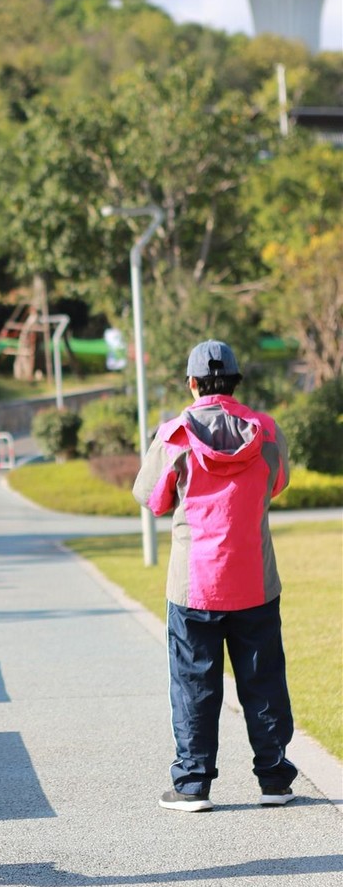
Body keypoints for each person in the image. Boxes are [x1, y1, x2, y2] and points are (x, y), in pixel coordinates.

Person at [132, 340, 296, 812]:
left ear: (192, 383)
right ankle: (275, 779)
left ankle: (192, 785)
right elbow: (276, 485)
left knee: (194, 684)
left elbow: (153, 499)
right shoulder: (265, 432)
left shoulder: (174, 435)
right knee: (263, 680)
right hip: (255, 580)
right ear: (237, 381)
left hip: (194, 584)